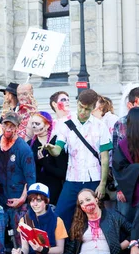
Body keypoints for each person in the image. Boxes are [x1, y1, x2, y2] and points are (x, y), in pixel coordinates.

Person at [47, 89, 112, 230]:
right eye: (80, 107)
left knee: (97, 218)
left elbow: (105, 157)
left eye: (87, 109)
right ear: (77, 103)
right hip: (72, 178)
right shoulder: (64, 123)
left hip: (93, 178)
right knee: (60, 216)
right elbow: (57, 150)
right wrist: (50, 148)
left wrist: (102, 183)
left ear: (93, 108)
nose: (83, 111)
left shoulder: (100, 126)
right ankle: (61, 249)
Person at [0, 111, 36, 251]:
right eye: (6, 124)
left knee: (20, 240)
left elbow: (30, 179)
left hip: (17, 200)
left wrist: (23, 199)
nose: (8, 128)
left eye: (12, 126)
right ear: (1, 125)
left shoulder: (23, 149)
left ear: (18, 127)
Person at [28, 111, 67, 205]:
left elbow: (62, 173)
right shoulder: (29, 144)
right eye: (32, 123)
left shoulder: (57, 143)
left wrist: (44, 162)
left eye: (37, 124)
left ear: (47, 126)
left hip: (53, 193)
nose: (34, 126)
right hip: (36, 193)